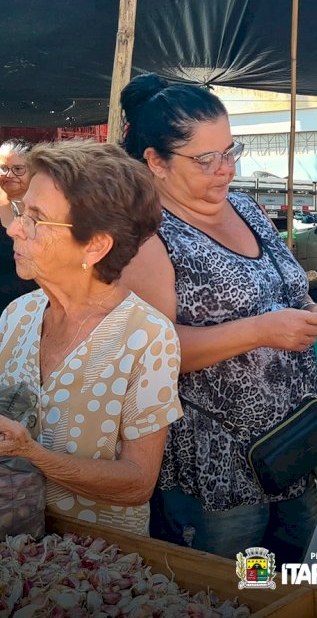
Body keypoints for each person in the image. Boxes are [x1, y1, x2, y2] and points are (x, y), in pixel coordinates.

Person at [119, 73, 317, 562]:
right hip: (218, 467)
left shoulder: (247, 208)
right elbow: (154, 353)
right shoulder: (148, 236)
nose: (224, 169)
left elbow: (276, 295)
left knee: (298, 579)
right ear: (156, 162)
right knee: (231, 589)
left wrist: (314, 314)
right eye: (205, 159)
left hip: (293, 443)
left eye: (231, 151)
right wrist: (260, 332)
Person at [0, 139, 181, 535]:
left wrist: (30, 452)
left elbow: (137, 482)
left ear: (96, 245)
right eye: (20, 211)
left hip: (96, 567)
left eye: (35, 218)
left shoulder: (146, 336)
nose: (15, 228)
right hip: (16, 548)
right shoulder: (18, 315)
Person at [0, 138, 37, 310]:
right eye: (3, 168)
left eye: (18, 169)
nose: (9, 175)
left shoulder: (48, 209)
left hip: (34, 304)